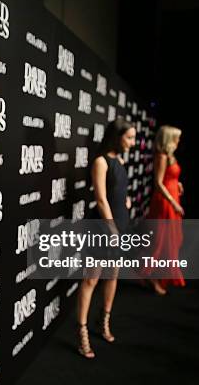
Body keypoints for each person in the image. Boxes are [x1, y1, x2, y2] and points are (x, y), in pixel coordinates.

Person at [76, 117, 136, 359]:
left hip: (119, 224)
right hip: (103, 227)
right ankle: (81, 332)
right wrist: (112, 230)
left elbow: (117, 192)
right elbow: (101, 199)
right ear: (117, 136)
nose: (132, 143)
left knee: (112, 275)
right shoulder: (101, 162)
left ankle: (103, 322)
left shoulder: (120, 160)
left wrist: (126, 201)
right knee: (92, 279)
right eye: (129, 137)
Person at [141, 125, 185, 295]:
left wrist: (177, 183)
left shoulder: (170, 156)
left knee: (173, 239)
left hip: (173, 197)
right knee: (160, 241)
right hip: (165, 202)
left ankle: (158, 275)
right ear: (169, 138)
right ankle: (151, 276)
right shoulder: (161, 156)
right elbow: (158, 183)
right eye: (177, 137)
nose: (179, 140)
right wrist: (173, 203)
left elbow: (170, 176)